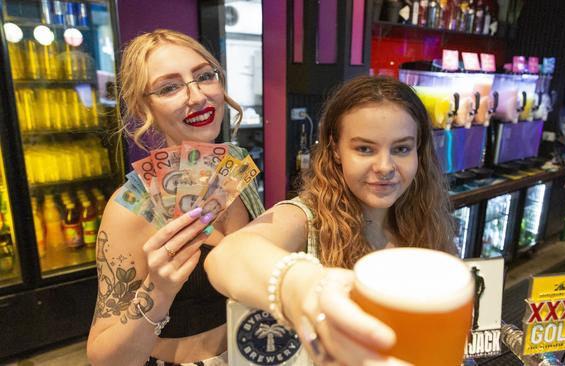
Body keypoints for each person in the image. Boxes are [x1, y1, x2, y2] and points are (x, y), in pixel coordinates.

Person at [205, 75, 456, 365]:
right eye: (364, 149)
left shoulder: (424, 217)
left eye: (401, 149)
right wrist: (302, 286)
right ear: (336, 149)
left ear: (418, 151)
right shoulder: (306, 217)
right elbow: (227, 257)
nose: (385, 167)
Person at [87, 29, 264, 366]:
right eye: (169, 87)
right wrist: (160, 288)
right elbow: (103, 358)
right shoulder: (129, 208)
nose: (196, 96)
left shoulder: (237, 167)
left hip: (253, 351)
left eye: (204, 76)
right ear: (143, 106)